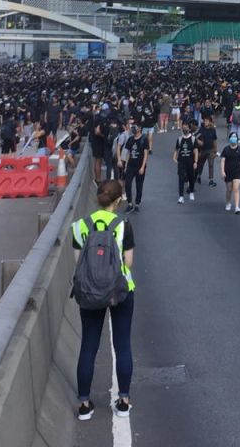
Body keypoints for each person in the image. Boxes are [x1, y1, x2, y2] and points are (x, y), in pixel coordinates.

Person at [71, 179, 135, 421]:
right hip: (120, 291)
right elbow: (128, 262)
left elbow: (80, 262)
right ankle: (123, 401)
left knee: (89, 345)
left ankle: (84, 404)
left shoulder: (79, 226)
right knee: (122, 345)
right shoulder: (124, 225)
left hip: (88, 293)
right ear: (117, 201)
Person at [119, 120, 149, 211]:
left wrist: (143, 167)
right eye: (132, 126)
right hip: (130, 166)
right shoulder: (130, 139)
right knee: (127, 184)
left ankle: (137, 204)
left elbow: (146, 154)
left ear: (139, 128)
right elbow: (128, 152)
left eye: (135, 126)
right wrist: (126, 165)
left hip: (140, 166)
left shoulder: (144, 139)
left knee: (139, 185)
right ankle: (129, 203)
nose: (133, 128)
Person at [220, 133, 240, 213]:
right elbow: (222, 161)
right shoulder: (226, 149)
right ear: (229, 139)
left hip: (237, 172)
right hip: (228, 172)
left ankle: (237, 207)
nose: (233, 138)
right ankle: (228, 203)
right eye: (232, 137)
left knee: (236, 188)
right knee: (229, 189)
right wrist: (222, 171)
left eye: (235, 137)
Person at [174, 121, 199, 203]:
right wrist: (174, 158)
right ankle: (181, 196)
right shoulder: (180, 139)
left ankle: (191, 192)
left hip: (190, 162)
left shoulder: (193, 139)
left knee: (191, 178)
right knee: (180, 179)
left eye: (186, 127)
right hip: (181, 162)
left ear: (189, 128)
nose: (184, 129)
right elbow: (176, 150)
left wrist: (195, 161)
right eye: (183, 127)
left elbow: (196, 151)